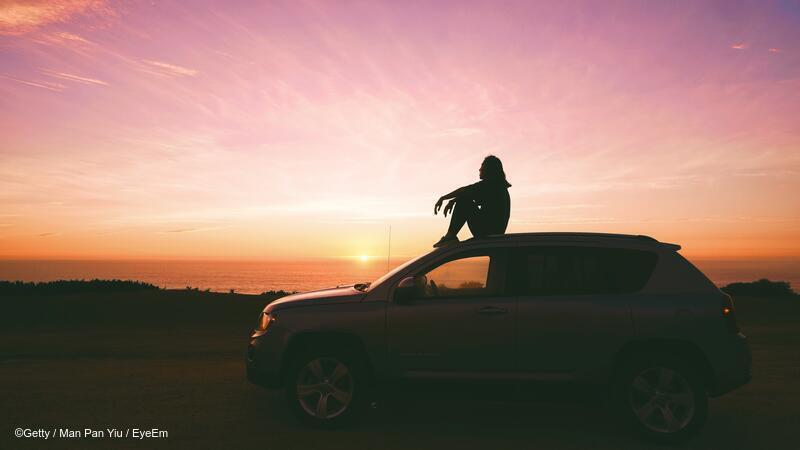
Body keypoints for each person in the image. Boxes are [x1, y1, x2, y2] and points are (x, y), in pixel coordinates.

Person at [433, 155, 511, 247]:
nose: (479, 169)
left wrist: (443, 198)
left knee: (463, 201)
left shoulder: (491, 186)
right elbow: (470, 194)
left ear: (489, 170)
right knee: (463, 199)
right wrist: (454, 200)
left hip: (488, 234)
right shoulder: (497, 187)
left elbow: (465, 191)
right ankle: (450, 236)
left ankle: (450, 236)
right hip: (492, 233)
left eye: (482, 166)